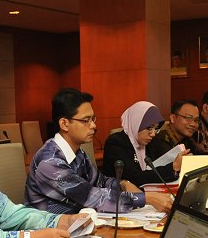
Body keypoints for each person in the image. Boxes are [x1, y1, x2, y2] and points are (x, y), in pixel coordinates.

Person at [25, 88, 172, 215]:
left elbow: (99, 181)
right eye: (86, 120)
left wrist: (123, 184)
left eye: (93, 119)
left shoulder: (78, 153)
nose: (93, 126)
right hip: (50, 232)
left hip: (77, 224)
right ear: (64, 123)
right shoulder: (50, 162)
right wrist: (147, 198)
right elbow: (93, 197)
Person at [103, 101, 190, 186]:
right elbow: (133, 178)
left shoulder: (151, 143)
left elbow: (158, 169)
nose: (153, 134)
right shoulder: (116, 143)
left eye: (156, 129)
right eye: (149, 128)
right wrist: (173, 167)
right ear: (136, 123)